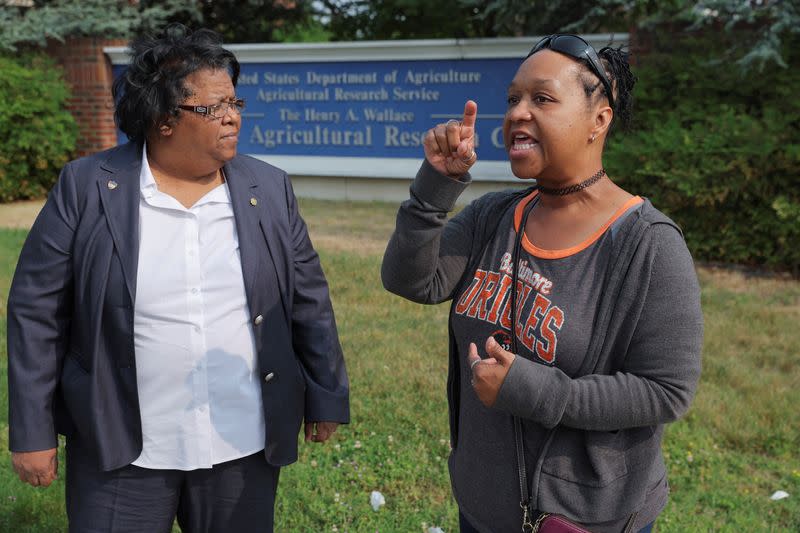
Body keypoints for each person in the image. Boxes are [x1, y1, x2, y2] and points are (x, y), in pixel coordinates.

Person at [7, 24, 349, 532]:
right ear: (164, 118)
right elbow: (36, 312)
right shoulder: (87, 187)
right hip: (120, 445)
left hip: (241, 441)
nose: (232, 116)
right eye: (214, 108)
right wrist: (32, 430)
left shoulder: (268, 187)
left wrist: (325, 393)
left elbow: (307, 300)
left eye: (235, 102)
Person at [382, 34, 703, 533]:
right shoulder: (495, 215)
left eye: (543, 98)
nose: (517, 114)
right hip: (483, 509)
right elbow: (411, 280)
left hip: (585, 520)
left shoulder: (648, 245)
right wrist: (433, 189)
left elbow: (666, 391)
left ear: (600, 119)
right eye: (513, 99)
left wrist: (534, 391)